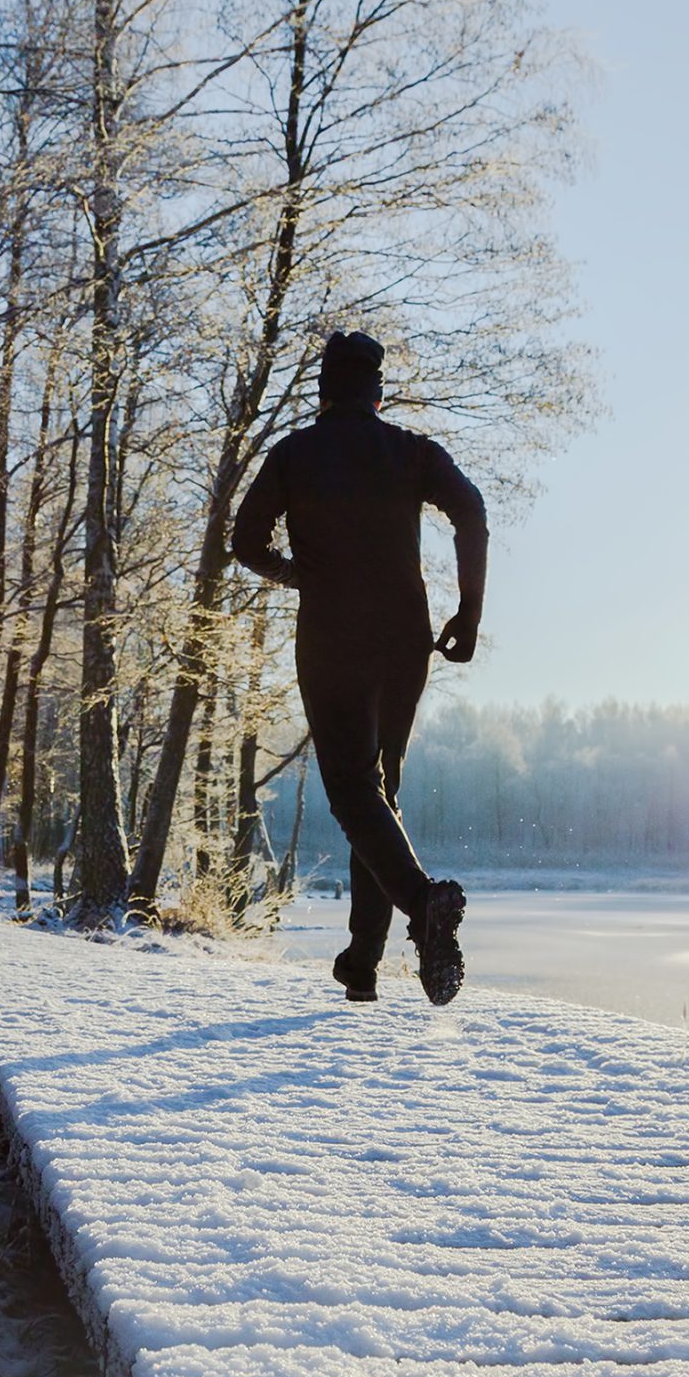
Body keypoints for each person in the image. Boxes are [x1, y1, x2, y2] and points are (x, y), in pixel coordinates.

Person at [231, 330, 486, 1005]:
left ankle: (423, 902)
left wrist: (293, 572)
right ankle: (363, 964)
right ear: (377, 393)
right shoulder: (410, 451)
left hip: (332, 635)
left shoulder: (296, 453)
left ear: (323, 393)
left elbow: (244, 540)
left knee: (352, 790)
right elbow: (471, 512)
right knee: (378, 793)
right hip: (405, 639)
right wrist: (469, 613)